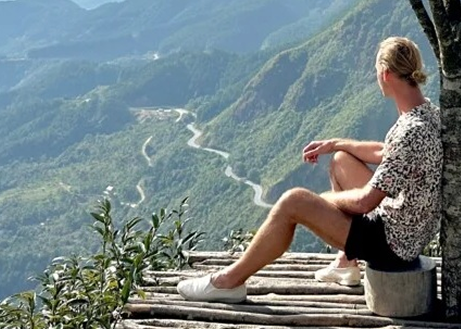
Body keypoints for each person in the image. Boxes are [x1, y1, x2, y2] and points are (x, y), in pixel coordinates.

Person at [177, 36, 442, 303]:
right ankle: (345, 263)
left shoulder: (410, 131)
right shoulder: (427, 112)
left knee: (293, 201)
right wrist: (335, 144)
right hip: (409, 230)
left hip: (393, 244)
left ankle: (227, 283)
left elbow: (364, 202)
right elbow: (386, 153)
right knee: (341, 159)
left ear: (385, 74)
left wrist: (325, 200)